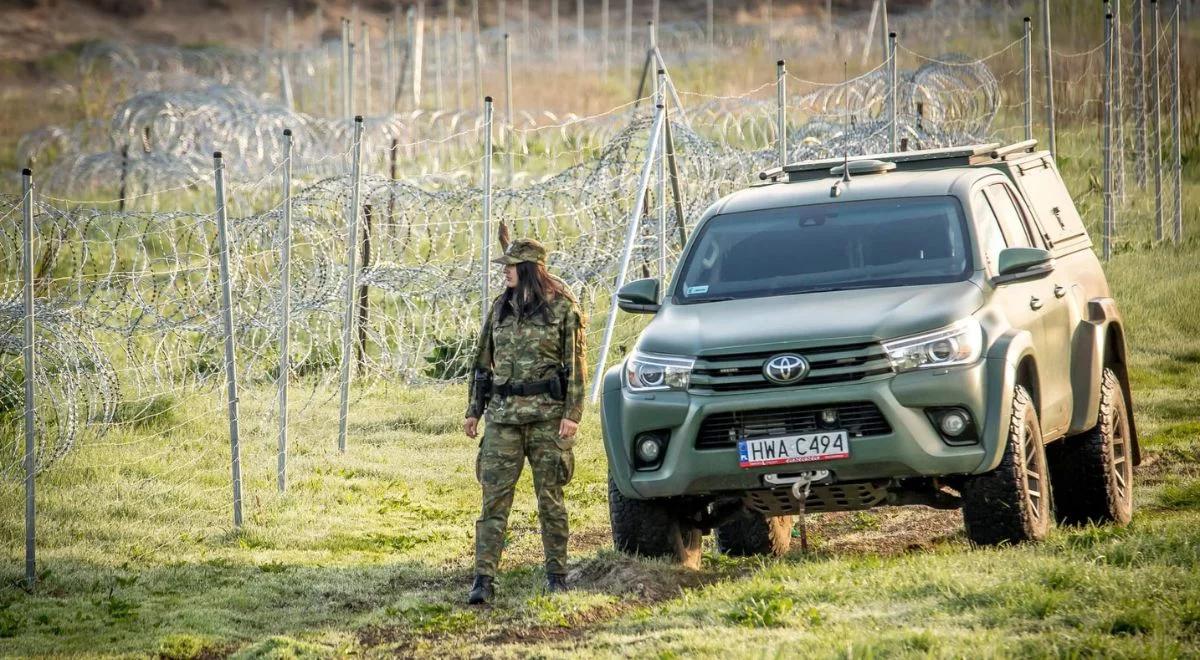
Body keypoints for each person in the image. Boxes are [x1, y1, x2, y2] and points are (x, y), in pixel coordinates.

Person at [464, 237, 587, 605]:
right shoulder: (500, 309)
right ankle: (483, 580)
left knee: (550, 499)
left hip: (547, 418)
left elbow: (577, 367)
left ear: (530, 268)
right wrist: (474, 410)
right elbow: (481, 363)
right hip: (503, 418)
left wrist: (572, 415)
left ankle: (557, 575)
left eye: (511, 265)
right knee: (493, 502)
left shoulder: (564, 310)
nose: (505, 270)